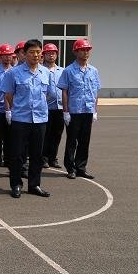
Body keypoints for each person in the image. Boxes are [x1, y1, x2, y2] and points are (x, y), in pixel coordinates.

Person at [0, 39, 51, 199]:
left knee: (37, 154)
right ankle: (16, 184)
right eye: (31, 52)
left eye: (38, 52)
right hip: (21, 119)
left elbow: (48, 94)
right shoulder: (14, 73)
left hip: (40, 119)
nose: (35, 55)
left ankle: (34, 185)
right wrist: (17, 108)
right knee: (17, 154)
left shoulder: (45, 72)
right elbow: (8, 95)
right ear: (24, 54)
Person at [58, 39, 101, 180]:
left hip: (88, 110)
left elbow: (95, 92)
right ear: (76, 52)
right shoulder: (68, 71)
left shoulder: (93, 71)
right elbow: (64, 92)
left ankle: (81, 167)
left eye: (87, 50)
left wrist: (95, 110)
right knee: (72, 141)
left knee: (84, 141)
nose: (86, 52)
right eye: (82, 50)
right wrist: (65, 112)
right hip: (74, 111)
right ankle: (70, 168)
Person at [41, 43, 64, 169]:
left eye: (53, 53)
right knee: (45, 134)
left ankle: (53, 158)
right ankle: (43, 158)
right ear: (43, 55)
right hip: (46, 108)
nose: (51, 55)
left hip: (60, 108)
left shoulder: (62, 71)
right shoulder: (41, 70)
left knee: (57, 134)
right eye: (48, 53)